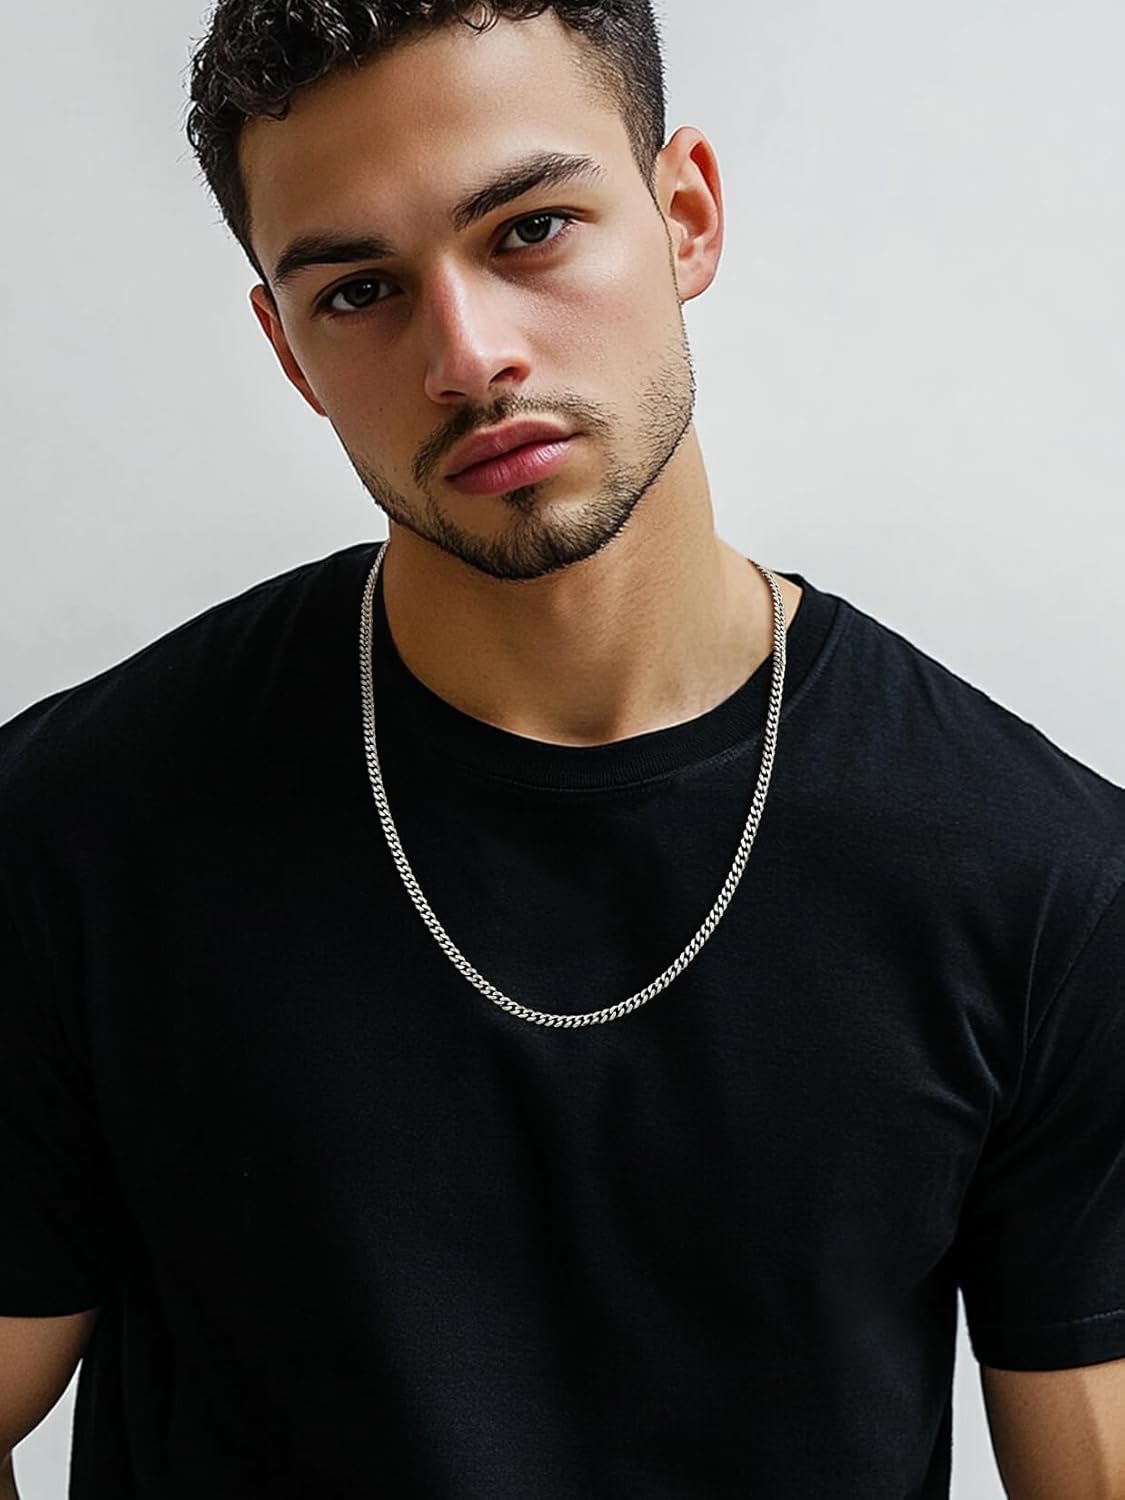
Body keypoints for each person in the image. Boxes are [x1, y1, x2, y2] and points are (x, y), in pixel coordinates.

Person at [1, 3, 1123, 1496]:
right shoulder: (75, 831)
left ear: (685, 215)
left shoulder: (1041, 880)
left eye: (528, 230)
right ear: (287, 348)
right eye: (359, 291)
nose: (469, 357)